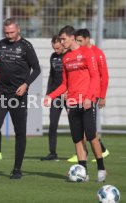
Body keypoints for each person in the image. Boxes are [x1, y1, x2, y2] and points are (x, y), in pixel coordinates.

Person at [44, 25, 107, 182]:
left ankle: (101, 168)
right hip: (72, 103)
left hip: (86, 102)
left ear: (72, 37)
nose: (62, 42)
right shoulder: (65, 58)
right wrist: (50, 96)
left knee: (91, 135)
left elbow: (94, 76)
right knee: (77, 139)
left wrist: (89, 96)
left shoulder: (88, 53)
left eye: (63, 39)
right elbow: (64, 84)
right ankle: (82, 171)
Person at [0, 18, 41, 179]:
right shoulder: (1, 44)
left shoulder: (26, 46)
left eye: (12, 32)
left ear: (18, 30)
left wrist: (26, 85)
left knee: (20, 131)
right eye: (6, 32)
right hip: (1, 92)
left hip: (18, 95)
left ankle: (17, 169)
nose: (9, 35)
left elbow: (36, 69)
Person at [66, 28, 110, 163]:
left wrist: (102, 96)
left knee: (89, 130)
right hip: (81, 94)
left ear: (87, 39)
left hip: (93, 94)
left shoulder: (97, 53)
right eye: (76, 40)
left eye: (80, 41)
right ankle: (83, 155)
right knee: (83, 130)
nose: (78, 43)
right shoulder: (76, 54)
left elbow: (103, 75)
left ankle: (100, 152)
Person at [41, 35, 67, 161]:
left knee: (76, 125)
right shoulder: (53, 57)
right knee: (53, 124)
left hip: (69, 95)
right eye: (54, 48)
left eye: (57, 48)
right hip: (56, 95)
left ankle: (82, 152)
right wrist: (48, 93)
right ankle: (52, 153)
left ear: (62, 44)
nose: (56, 50)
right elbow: (51, 75)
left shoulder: (69, 56)